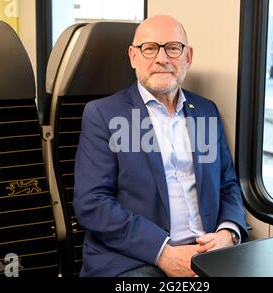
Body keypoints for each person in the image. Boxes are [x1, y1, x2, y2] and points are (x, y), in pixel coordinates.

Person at [74, 15, 248, 277]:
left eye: (173, 48)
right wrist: (163, 252)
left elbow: (228, 185)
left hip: (206, 253)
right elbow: (92, 203)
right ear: (133, 57)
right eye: (150, 48)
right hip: (134, 260)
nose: (162, 58)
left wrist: (228, 232)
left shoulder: (205, 111)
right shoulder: (104, 115)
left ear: (187, 57)